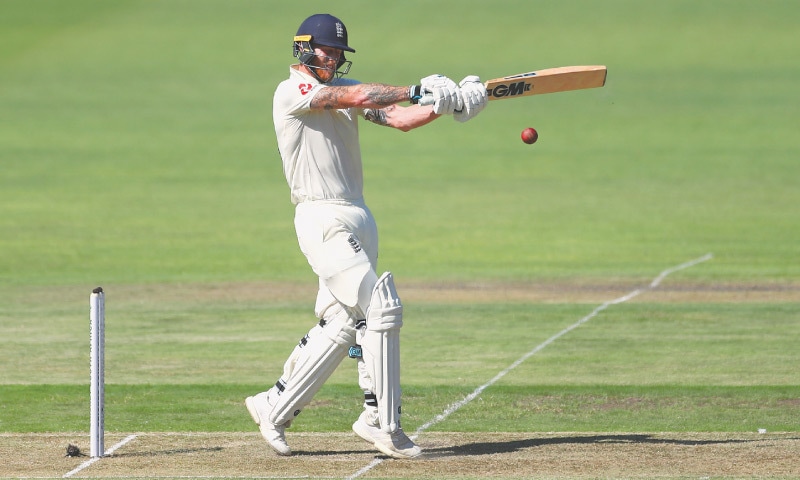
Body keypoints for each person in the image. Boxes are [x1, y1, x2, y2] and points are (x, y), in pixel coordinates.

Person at [245, 13, 487, 459]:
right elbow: (352, 93)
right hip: (321, 216)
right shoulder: (294, 91)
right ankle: (381, 422)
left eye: (338, 53)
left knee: (342, 323)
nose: (333, 59)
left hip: (357, 213)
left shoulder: (342, 92)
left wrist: (450, 105)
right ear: (303, 48)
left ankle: (273, 405)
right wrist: (419, 88)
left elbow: (399, 119)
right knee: (381, 305)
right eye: (326, 50)